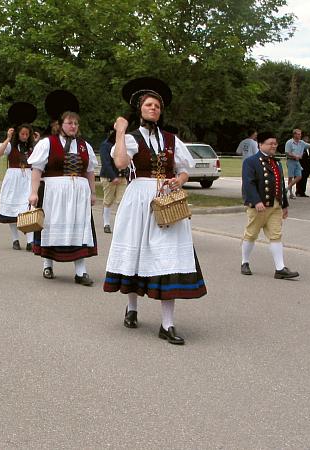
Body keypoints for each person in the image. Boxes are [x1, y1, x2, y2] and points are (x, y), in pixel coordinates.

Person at [104, 77, 207, 345]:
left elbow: (186, 168)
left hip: (168, 201)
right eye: (149, 105)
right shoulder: (131, 138)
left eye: (157, 106)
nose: (154, 109)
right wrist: (120, 130)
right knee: (137, 253)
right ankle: (133, 307)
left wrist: (179, 180)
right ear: (139, 109)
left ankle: (168, 324)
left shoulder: (172, 139)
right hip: (139, 199)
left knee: (168, 257)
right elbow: (120, 162)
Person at [27, 95, 98, 286]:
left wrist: (92, 192)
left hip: (78, 195)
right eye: (69, 123)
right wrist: (33, 192)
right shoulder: (47, 143)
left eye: (75, 123)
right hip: (54, 194)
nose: (73, 126)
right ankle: (47, 264)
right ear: (60, 124)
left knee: (79, 228)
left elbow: (90, 171)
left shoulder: (84, 145)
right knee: (50, 226)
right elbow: (37, 169)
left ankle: (81, 271)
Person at [240, 131, 299, 279]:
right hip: (259, 206)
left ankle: (280, 268)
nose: (274, 146)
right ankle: (244, 262)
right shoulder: (251, 161)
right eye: (270, 143)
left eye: (275, 143)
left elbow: (281, 183)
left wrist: (284, 204)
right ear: (260, 144)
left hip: (275, 206)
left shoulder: (276, 161)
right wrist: (256, 201)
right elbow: (248, 183)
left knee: (276, 235)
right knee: (251, 234)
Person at [0, 124, 35, 250]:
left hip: (28, 178)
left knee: (28, 209)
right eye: (22, 134)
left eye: (27, 134)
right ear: (18, 134)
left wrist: (37, 141)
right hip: (13, 178)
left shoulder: (32, 148)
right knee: (12, 210)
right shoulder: (10, 146)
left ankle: (30, 241)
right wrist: (8, 137)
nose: (24, 136)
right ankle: (15, 239)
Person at [99, 128, 128, 233]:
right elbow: (105, 162)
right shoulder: (105, 145)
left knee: (121, 201)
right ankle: (106, 223)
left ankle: (119, 224)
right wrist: (113, 176)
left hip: (122, 176)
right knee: (108, 200)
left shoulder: (123, 145)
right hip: (108, 177)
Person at [284, 128, 310, 199]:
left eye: (300, 134)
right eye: (298, 134)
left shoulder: (301, 143)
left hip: (297, 162)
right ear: (294, 135)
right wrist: (294, 156)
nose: (300, 135)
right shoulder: (289, 142)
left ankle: (286, 188)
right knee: (290, 177)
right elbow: (287, 152)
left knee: (299, 176)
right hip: (291, 161)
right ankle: (290, 193)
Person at [295, 133, 310, 197]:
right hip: (301, 166)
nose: (307, 140)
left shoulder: (307, 148)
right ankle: (298, 192)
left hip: (307, 166)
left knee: (304, 179)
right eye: (306, 139)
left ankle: (302, 192)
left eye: (308, 139)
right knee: (299, 179)